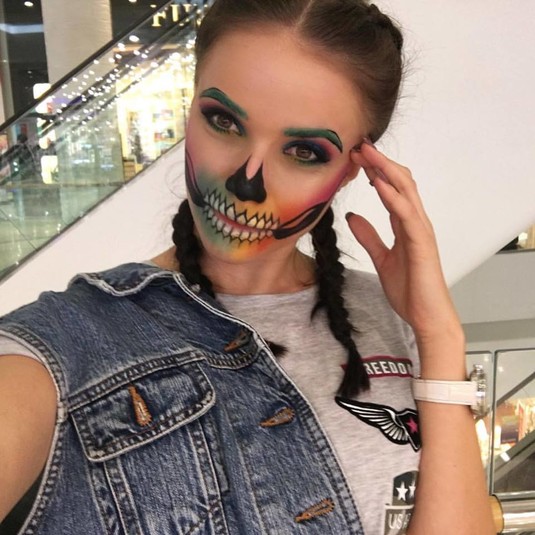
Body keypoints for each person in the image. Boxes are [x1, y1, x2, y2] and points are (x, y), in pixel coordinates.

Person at [0, 1, 495, 533]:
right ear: (190, 109)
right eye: (224, 122)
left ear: (355, 169)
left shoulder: (397, 322)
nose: (247, 182)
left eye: (304, 151)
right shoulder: (64, 344)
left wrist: (440, 335)